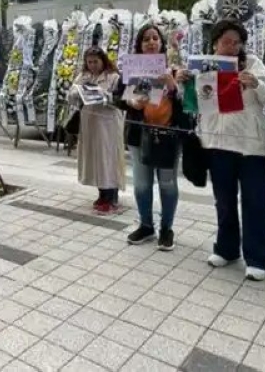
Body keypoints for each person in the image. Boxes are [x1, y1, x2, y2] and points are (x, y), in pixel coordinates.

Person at [200, 19, 265, 281]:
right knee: (224, 200)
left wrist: (255, 83)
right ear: (215, 44)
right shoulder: (204, 65)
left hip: (251, 145)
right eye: (226, 42)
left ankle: (258, 257)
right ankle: (226, 248)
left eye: (237, 42)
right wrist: (184, 81)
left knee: (256, 202)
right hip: (218, 142)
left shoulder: (253, 64)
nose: (232, 46)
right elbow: (194, 102)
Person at [117, 25, 186, 251]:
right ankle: (146, 225)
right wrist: (130, 102)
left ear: (161, 43)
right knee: (142, 184)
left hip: (168, 135)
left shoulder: (174, 67)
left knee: (167, 183)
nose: (151, 42)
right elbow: (119, 96)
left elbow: (187, 102)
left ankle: (167, 228)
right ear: (139, 44)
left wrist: (171, 83)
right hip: (140, 134)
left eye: (155, 38)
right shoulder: (131, 68)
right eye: (146, 39)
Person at [68, 47, 124, 213]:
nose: (92, 65)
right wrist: (78, 92)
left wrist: (103, 94)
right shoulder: (83, 76)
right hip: (90, 123)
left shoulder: (114, 77)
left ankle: (112, 196)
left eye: (95, 61)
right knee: (95, 159)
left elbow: (121, 100)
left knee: (108, 158)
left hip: (108, 124)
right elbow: (70, 95)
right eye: (89, 62)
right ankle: (101, 193)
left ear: (103, 60)